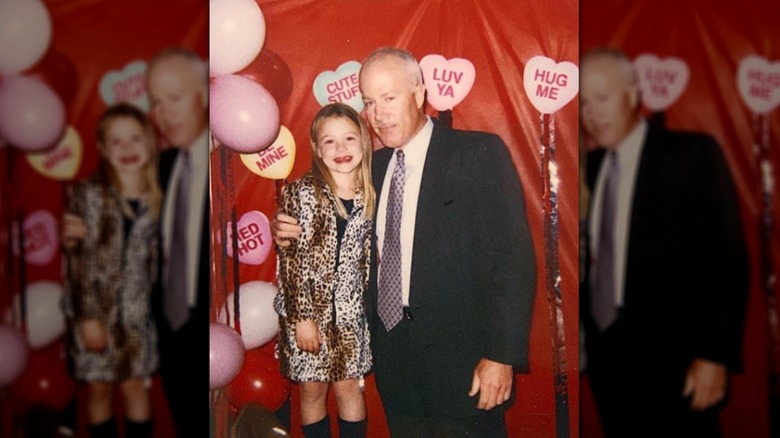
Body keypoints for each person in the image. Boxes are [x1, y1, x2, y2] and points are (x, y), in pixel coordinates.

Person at [273, 47, 536, 437]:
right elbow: (325, 217)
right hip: (396, 360)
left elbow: (511, 259)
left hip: (462, 362)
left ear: (418, 93)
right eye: (369, 102)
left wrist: (501, 355)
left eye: (389, 98)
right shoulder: (371, 170)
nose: (378, 114)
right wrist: (286, 226)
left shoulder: (476, 152)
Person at [579, 47, 749, 437]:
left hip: (678, 359)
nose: (594, 113)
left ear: (633, 93)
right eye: (585, 103)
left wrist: (713, 355)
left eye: (603, 98)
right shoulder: (592, 166)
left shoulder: (691, 155)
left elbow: (726, 259)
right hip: (610, 359)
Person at [61, 47, 210, 437]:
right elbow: (88, 252)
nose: (166, 113)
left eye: (175, 98)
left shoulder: (214, 162)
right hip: (161, 327)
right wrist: (73, 238)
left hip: (197, 331)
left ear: (204, 94)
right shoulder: (156, 172)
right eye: (157, 103)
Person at [274, 102, 376, 438]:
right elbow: (291, 263)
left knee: (350, 387)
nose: (341, 148)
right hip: (306, 316)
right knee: (313, 390)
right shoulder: (301, 193)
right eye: (329, 141)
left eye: (349, 138)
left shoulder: (369, 195)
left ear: (364, 141)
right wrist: (303, 318)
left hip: (349, 315)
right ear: (317, 149)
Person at [63, 102, 162, 438]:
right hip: (95, 312)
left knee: (136, 387)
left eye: (134, 139)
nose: (126, 149)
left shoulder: (158, 196)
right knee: (100, 390)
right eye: (116, 141)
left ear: (149, 142)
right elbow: (79, 264)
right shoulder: (88, 195)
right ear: (103, 149)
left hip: (137, 313)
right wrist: (90, 317)